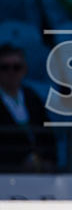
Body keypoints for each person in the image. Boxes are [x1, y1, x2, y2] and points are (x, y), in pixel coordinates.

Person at [0, 44, 55, 172]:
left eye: (16, 67)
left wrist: (48, 160)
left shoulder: (32, 97)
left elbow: (47, 134)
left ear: (24, 70)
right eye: (5, 67)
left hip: (40, 169)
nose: (11, 72)